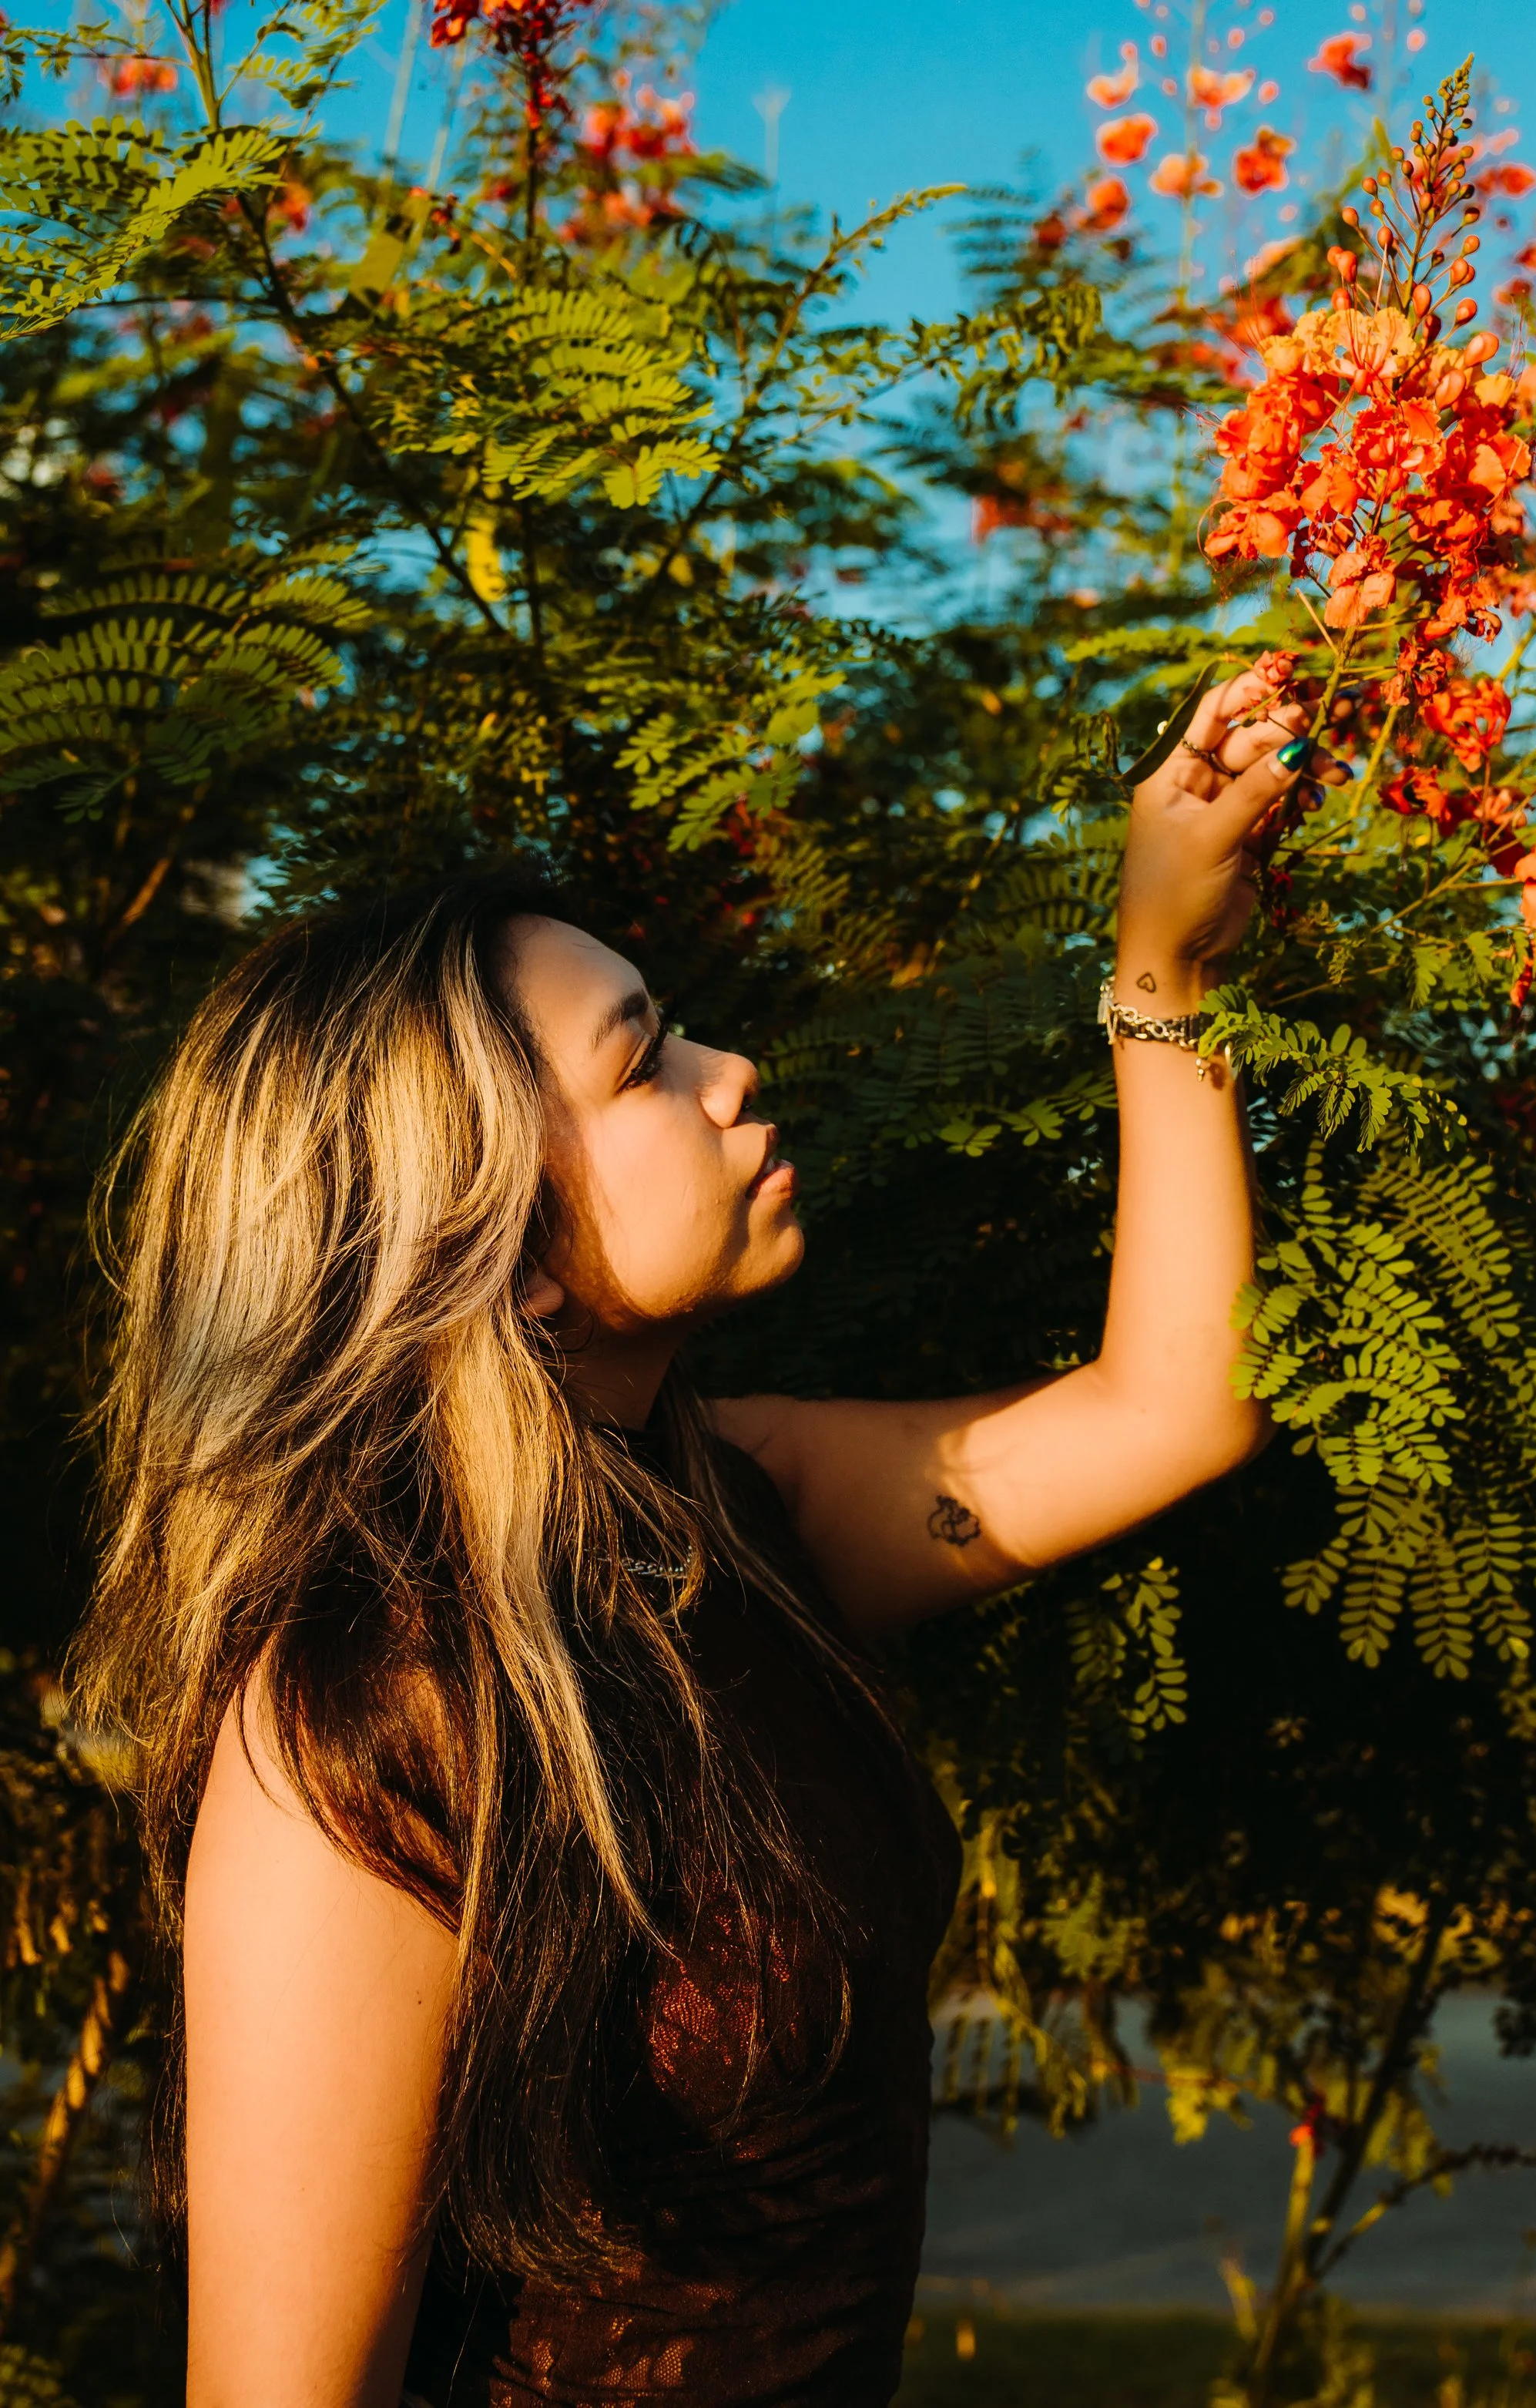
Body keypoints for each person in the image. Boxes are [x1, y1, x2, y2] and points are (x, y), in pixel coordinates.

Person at [70, 669, 1340, 2407]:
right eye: (643, 1061)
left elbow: (1173, 1406)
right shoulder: (356, 1731)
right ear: (496, 1243)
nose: (731, 1070)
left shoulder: (740, 1515)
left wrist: (1162, 973)